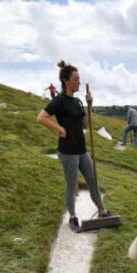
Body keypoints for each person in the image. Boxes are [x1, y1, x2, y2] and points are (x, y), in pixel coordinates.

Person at [37, 61, 110, 233]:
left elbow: (86, 125)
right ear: (66, 81)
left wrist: (90, 105)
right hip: (67, 152)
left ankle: (103, 211)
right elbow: (41, 117)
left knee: (93, 181)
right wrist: (60, 129)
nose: (79, 82)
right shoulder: (59, 101)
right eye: (76, 79)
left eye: (79, 79)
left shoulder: (78, 102)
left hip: (82, 150)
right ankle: (72, 217)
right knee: (71, 185)